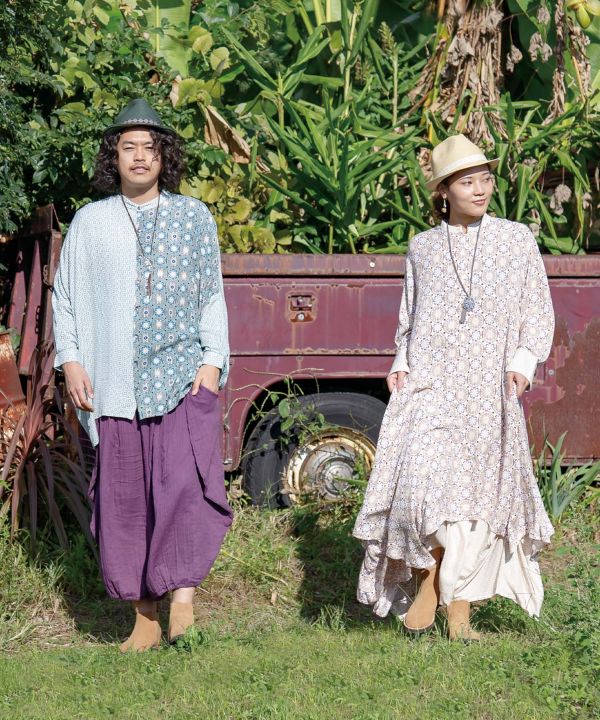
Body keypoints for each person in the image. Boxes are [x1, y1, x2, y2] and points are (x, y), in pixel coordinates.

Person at [353, 134, 555, 640]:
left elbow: (537, 308)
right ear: (443, 191)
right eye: (467, 182)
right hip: (431, 385)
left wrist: (523, 362)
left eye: (485, 178)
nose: (480, 189)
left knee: (477, 500)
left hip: (490, 388)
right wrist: (401, 361)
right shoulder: (422, 247)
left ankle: (457, 613)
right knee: (422, 487)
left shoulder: (515, 240)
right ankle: (430, 575)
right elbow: (411, 316)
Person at [52, 98, 232, 651]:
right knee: (124, 503)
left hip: (181, 379)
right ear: (114, 156)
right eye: (127, 147)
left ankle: (183, 603)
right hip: (114, 386)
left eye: (149, 148)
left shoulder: (193, 216)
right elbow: (66, 298)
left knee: (184, 488)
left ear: (164, 156)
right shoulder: (92, 221)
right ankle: (145, 618)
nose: (138, 156)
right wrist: (72, 360)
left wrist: (212, 361)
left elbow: (211, 293)